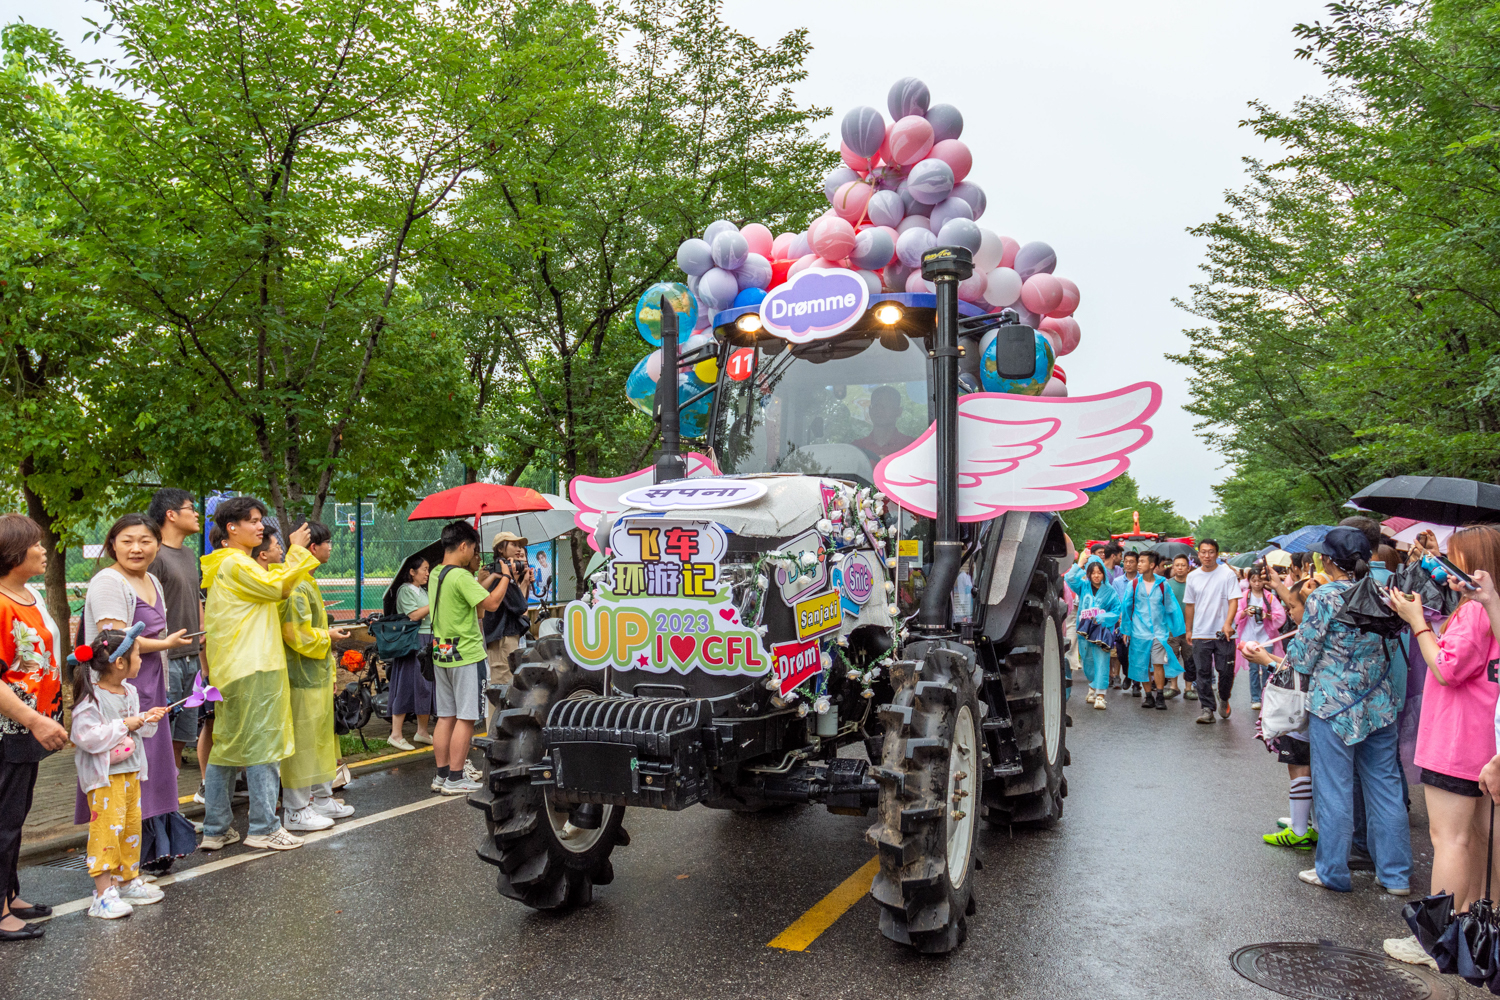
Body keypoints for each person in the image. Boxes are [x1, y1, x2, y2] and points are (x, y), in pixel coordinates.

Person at [1243, 526, 1411, 894]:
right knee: (1386, 787)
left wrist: (1266, 658)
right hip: (1379, 703)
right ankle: (1396, 875)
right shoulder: (1384, 591)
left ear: (1328, 561)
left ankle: (1333, 871)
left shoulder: (1325, 597)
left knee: (1334, 789)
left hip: (1333, 706)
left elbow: (1302, 658)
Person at [197, 497, 319, 852]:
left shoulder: (223, 564)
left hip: (232, 669)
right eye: (252, 520)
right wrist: (297, 551)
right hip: (255, 666)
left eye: (259, 519)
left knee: (227, 748)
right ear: (231, 528)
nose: (260, 526)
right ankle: (264, 827)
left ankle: (217, 829)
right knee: (264, 745)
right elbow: (277, 587)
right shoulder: (236, 562)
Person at [79, 514, 197, 874]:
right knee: (123, 767)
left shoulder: (152, 580)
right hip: (117, 688)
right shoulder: (108, 583)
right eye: (127, 541)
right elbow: (113, 642)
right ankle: (121, 865)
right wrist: (165, 644)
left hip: (149, 682)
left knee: (152, 766)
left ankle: (149, 854)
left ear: (157, 545)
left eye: (145, 541)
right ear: (112, 545)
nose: (136, 548)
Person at [1391, 527, 1500, 915]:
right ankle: (1473, 923)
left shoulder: (1474, 611)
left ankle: (1436, 937)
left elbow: (1446, 669)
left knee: (1449, 839)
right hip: (1485, 739)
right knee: (1480, 837)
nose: (1449, 564)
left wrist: (1417, 621)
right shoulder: (1490, 609)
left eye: (1455, 556)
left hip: (1456, 739)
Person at [70, 625, 169, 918]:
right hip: (105, 778)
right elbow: (84, 736)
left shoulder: (130, 691)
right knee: (107, 831)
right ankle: (102, 894)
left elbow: (138, 731)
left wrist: (147, 719)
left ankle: (126, 881)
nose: (141, 660)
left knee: (129, 828)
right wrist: (126, 724)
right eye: (138, 655)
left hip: (131, 771)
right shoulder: (92, 698)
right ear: (120, 662)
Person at [0, 514, 67, 942]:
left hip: (29, 728)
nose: (44, 550)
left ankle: (10, 893)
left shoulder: (28, 595)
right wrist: (33, 719)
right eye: (36, 544)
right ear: (13, 552)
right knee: (3, 819)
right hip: (10, 730)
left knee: (15, 815)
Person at [277, 520, 353, 832]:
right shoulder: (297, 586)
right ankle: (296, 808)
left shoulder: (307, 581)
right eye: (327, 543)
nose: (330, 548)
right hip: (302, 677)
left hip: (316, 676)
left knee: (322, 740)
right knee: (304, 742)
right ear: (312, 547)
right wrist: (328, 636)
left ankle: (321, 798)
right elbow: (297, 635)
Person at [427, 521, 507, 795]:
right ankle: (456, 778)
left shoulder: (436, 573)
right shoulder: (461, 577)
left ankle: (442, 775)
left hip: (443, 652)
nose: (474, 553)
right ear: (463, 546)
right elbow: (492, 604)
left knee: (446, 716)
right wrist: (506, 577)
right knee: (466, 717)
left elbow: (474, 606)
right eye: (473, 548)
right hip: (467, 655)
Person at [146, 488, 205, 775]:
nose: (196, 514)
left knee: (181, 738)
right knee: (159, 739)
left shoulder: (189, 553)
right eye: (190, 508)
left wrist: (201, 629)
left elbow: (195, 597)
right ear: (171, 514)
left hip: (192, 656)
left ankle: (170, 798)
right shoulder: (154, 555)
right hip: (166, 659)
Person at [1118, 551, 1186, 709]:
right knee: (1141, 665)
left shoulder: (1163, 584)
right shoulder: (1134, 584)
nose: (1139, 564)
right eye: (1139, 561)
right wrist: (1126, 630)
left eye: (1142, 561)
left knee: (1158, 663)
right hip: (1138, 632)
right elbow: (1126, 608)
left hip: (1159, 632)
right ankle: (1148, 696)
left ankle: (1160, 696)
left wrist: (1177, 629)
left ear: (1152, 565)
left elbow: (1171, 607)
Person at [1184, 539, 1241, 724]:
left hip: (1223, 632)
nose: (1207, 556)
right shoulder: (1193, 576)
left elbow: (1234, 600)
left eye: (1210, 552)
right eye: (1203, 552)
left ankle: (1223, 697)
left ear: (1216, 554)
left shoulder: (1227, 574)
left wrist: (1228, 623)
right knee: (1203, 672)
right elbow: (1190, 605)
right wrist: (1189, 629)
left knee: (1226, 671)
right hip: (1201, 632)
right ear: (1198, 554)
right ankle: (1207, 709)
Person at [384, 553, 434, 750]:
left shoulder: (423, 591)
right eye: (424, 569)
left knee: (425, 685)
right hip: (413, 641)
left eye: (428, 569)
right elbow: (414, 615)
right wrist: (434, 603)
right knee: (405, 685)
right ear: (412, 572)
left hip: (427, 639)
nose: (427, 573)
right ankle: (395, 734)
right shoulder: (405, 591)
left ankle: (422, 731)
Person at [1064, 553, 1122, 709]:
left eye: (1099, 572)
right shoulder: (1083, 587)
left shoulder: (1110, 591)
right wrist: (1080, 564)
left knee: (1102, 661)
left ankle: (1101, 695)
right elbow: (1069, 578)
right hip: (1084, 632)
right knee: (1088, 662)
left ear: (1103, 573)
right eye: (1093, 573)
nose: (1096, 576)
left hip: (1102, 632)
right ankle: (1092, 686)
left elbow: (1116, 610)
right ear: (1088, 574)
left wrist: (1103, 617)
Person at [483, 532, 533, 687]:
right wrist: (512, 578)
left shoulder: (503, 570)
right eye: (513, 545)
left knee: (508, 683)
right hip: (502, 639)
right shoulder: (500, 571)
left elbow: (518, 603)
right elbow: (520, 606)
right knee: (503, 686)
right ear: (500, 549)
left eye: (520, 546)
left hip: (505, 636)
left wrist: (523, 581)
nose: (519, 549)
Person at [1236, 565, 1287, 711]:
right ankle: (1255, 698)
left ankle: (1266, 695)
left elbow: (1280, 615)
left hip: (1266, 637)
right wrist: (1245, 613)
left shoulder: (1269, 597)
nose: (1257, 583)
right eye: (1254, 580)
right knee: (1253, 668)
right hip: (1249, 636)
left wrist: (1267, 615)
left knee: (1267, 666)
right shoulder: (1244, 596)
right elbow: (1236, 614)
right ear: (1249, 581)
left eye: (1259, 580)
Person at [852, 386, 915, 459]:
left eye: (886, 405)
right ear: (870, 410)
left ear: (898, 411)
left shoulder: (912, 446)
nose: (879, 410)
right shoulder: (856, 448)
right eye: (876, 406)